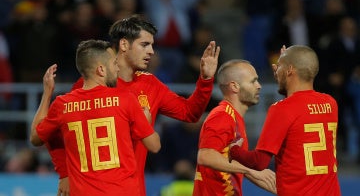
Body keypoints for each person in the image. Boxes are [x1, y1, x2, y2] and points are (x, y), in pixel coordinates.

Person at [41, 15, 220, 195]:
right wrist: (64, 173)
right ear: (124, 45)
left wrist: (205, 80)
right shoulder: (89, 83)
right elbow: (53, 132)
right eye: (144, 45)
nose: (151, 51)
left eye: (152, 45)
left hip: (131, 189)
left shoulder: (151, 85)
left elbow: (190, 113)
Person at [30, 40, 161, 195]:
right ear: (101, 69)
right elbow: (154, 146)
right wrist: (146, 121)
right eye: (114, 63)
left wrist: (47, 93)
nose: (118, 68)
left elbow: (35, 138)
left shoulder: (62, 105)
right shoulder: (125, 99)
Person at [229, 45, 341, 196]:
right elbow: (298, 110)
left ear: (289, 70)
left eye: (279, 66)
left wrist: (234, 151)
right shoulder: (331, 103)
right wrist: (286, 70)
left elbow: (259, 161)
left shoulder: (282, 109)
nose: (275, 70)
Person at [193, 60, 276, 195]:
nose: (259, 86)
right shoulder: (223, 116)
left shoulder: (234, 118)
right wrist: (250, 170)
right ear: (235, 86)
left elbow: (230, 162)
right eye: (253, 81)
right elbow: (205, 156)